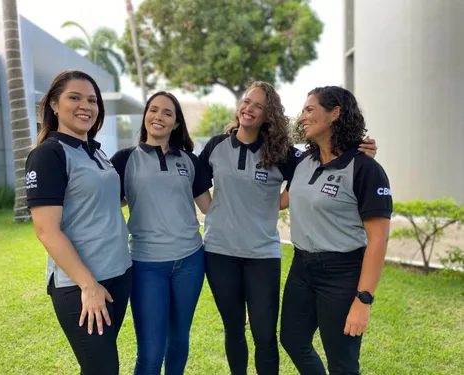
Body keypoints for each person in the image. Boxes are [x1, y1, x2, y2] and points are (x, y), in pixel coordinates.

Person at [198, 81, 377, 375]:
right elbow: (197, 180)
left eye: (258, 105)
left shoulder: (283, 153)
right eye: (247, 101)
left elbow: (322, 166)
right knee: (233, 328)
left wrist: (360, 150)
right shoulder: (217, 146)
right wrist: (213, 209)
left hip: (262, 255)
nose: (249, 108)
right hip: (219, 252)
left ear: (269, 115)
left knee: (265, 334)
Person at [279, 86, 392, 375]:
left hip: (342, 274)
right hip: (302, 267)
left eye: (309, 109)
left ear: (335, 113)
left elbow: (378, 240)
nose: (302, 116)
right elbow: (283, 200)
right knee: (292, 340)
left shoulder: (364, 168)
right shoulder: (305, 162)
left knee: (342, 363)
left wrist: (363, 300)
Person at [25, 70, 132, 375]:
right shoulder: (48, 154)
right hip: (80, 285)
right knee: (104, 369)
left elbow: (105, 203)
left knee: (99, 365)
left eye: (92, 100)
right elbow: (46, 230)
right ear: (54, 105)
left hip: (118, 274)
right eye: (74, 97)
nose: (85, 105)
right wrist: (88, 285)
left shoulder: (97, 153)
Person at [110, 91, 212, 375]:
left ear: (176, 123)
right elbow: (107, 205)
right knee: (151, 351)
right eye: (153, 110)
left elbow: (210, 209)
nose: (159, 117)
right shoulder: (124, 160)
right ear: (145, 116)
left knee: (179, 341)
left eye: (167, 113)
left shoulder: (190, 161)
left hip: (190, 262)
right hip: (146, 265)